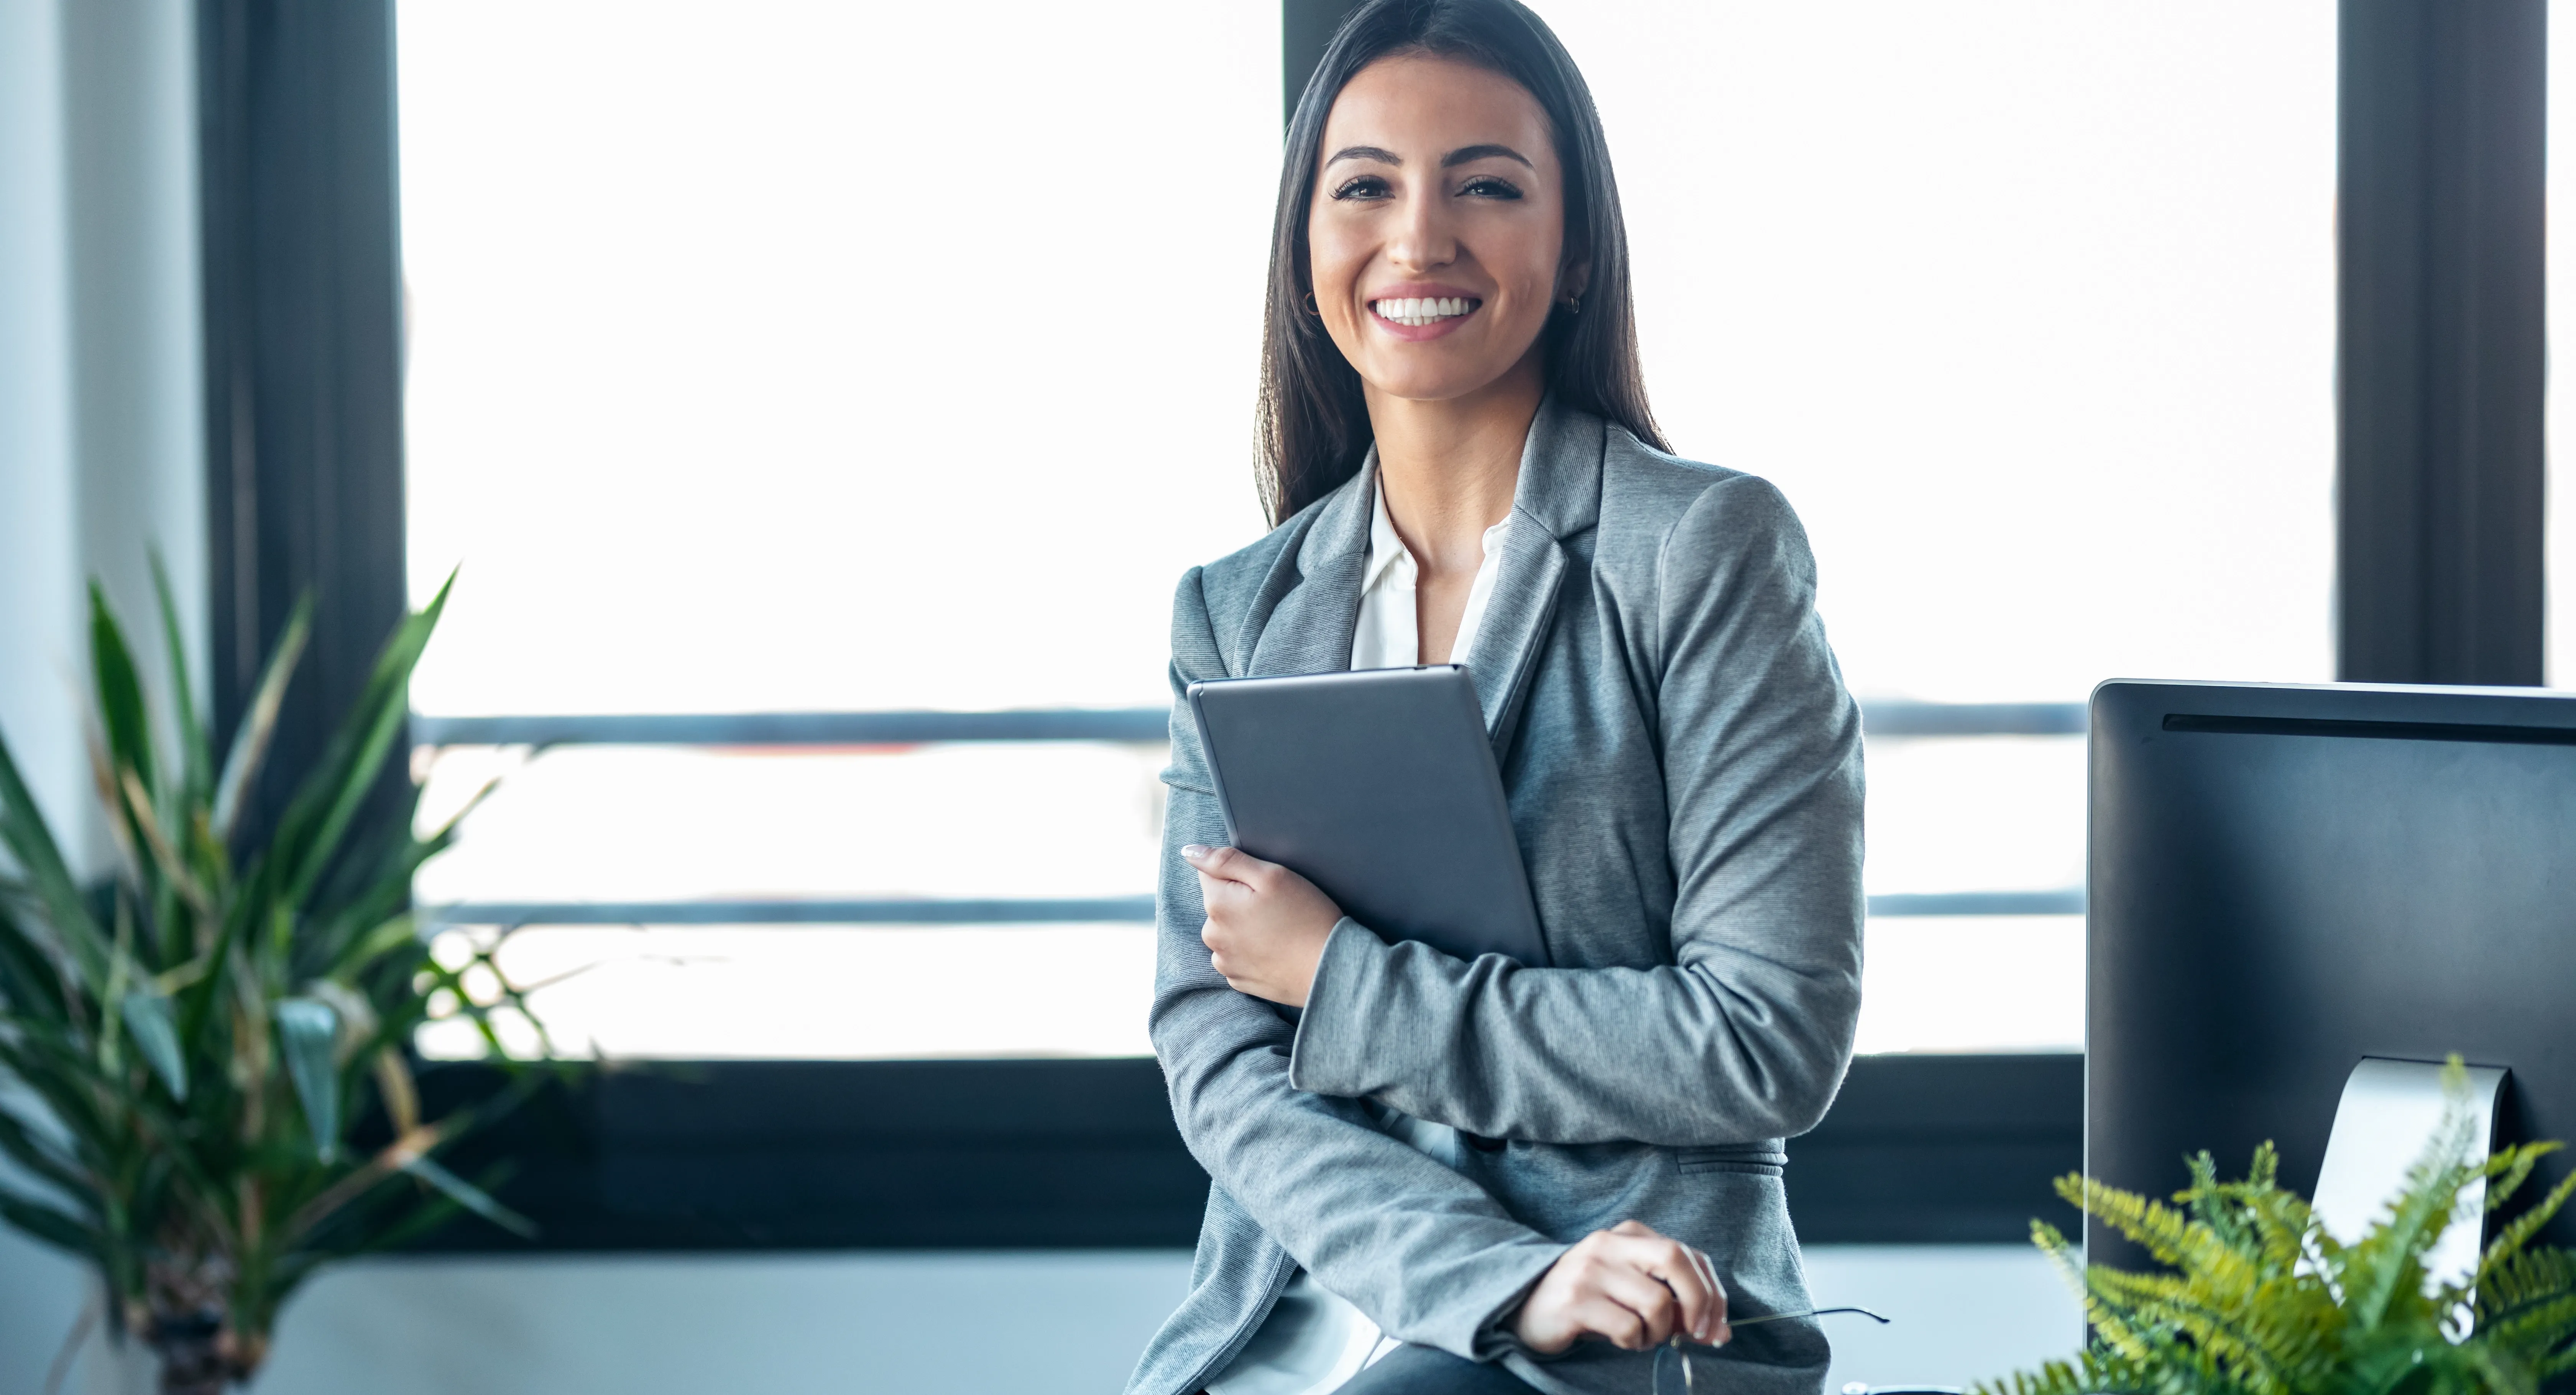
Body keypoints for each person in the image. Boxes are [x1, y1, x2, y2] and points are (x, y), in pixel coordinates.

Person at [1125, 2, 1865, 1392]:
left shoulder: (1701, 551)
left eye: (1487, 184)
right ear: (1306, 244)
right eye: (1366, 187)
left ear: (1576, 245)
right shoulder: (1237, 612)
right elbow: (1215, 1047)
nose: (1419, 239)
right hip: (1311, 1305)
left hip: (1640, 1306)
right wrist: (1487, 1274)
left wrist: (1343, 981)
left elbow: (1766, 1036)